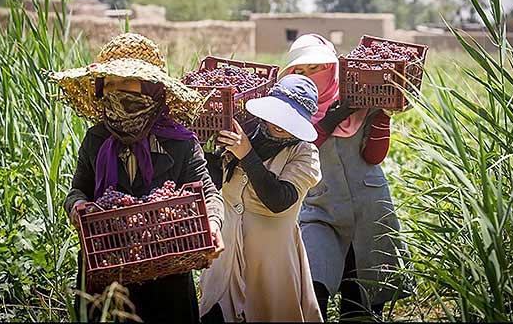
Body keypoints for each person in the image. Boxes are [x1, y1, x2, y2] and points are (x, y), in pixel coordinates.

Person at [48, 33, 225, 323]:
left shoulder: (180, 143)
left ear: (151, 89)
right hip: (107, 270)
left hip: (168, 270)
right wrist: (77, 207)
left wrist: (213, 223)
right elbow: (77, 191)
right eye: (111, 83)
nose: (117, 91)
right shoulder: (96, 139)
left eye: (126, 82)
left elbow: (208, 192)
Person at [280, 34, 412, 321]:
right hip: (321, 209)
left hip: (370, 207)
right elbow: (301, 149)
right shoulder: (293, 109)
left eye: (316, 67)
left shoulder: (363, 97)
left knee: (363, 294)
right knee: (314, 284)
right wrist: (329, 120)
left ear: (333, 66)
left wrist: (381, 117)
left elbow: (374, 156)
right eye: (301, 71)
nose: (310, 75)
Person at [199, 74, 323, 323]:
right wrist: (211, 151)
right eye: (276, 115)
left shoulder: (304, 153)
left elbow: (278, 200)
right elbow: (214, 183)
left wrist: (246, 154)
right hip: (227, 250)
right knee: (217, 313)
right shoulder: (248, 134)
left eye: (289, 120)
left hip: (271, 259)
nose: (279, 125)